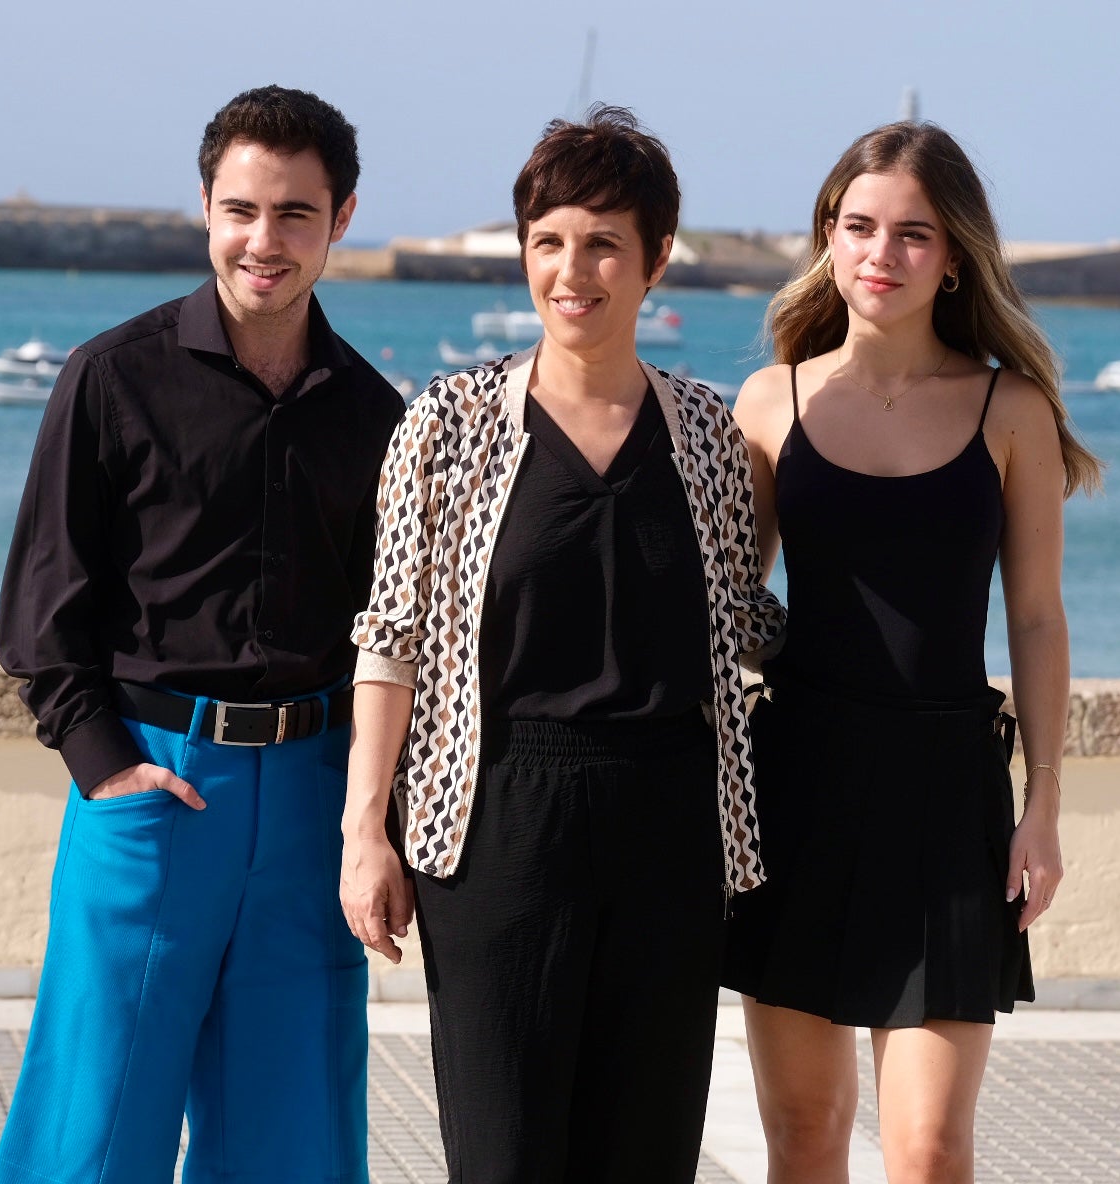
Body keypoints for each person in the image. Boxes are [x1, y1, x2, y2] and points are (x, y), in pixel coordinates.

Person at [340, 106, 785, 1183]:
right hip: (497, 824)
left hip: (670, 827)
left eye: (602, 243)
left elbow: (744, 617)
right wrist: (366, 827)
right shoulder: (447, 423)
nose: (571, 269)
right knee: (503, 1157)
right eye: (548, 239)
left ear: (656, 259)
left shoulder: (710, 433)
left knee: (644, 1157)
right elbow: (390, 634)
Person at [0, 85, 406, 1184]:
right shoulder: (111, 377)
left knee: (295, 1132)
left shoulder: (373, 413)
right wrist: (101, 763)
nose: (263, 242)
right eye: (241, 209)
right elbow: (43, 598)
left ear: (341, 219)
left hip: (311, 792)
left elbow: (392, 630)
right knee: (92, 1124)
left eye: (294, 214)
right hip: (153, 781)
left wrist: (373, 813)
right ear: (206, 210)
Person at [722, 120, 1103, 1184]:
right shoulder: (773, 400)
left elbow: (1036, 617)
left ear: (954, 257)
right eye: (859, 227)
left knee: (929, 1149)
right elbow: (725, 611)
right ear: (827, 240)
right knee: (803, 1133)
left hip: (947, 795)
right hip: (796, 782)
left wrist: (1044, 804)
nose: (880, 255)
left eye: (913, 234)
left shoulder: (1009, 409)